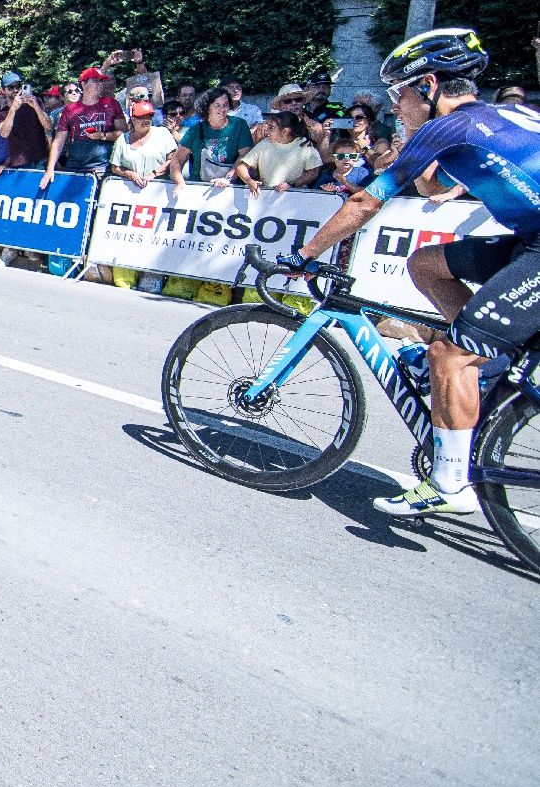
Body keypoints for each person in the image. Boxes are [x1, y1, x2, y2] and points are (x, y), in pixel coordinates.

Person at [291, 29, 537, 517]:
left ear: (428, 85)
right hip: (530, 237)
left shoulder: (451, 126)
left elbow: (365, 202)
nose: (395, 104)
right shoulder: (500, 117)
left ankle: (449, 485)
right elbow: (431, 187)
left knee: (448, 355)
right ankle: (484, 360)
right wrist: (414, 145)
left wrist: (307, 254)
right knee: (426, 264)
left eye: (399, 92)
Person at [41, 67, 123, 188]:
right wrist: (50, 169)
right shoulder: (70, 109)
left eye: (101, 81)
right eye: (95, 81)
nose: (100, 84)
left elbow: (124, 133)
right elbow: (59, 140)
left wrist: (104, 135)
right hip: (75, 168)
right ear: (83, 84)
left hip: (104, 169)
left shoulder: (111, 104)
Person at [234, 111, 322, 196]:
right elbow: (241, 167)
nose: (267, 131)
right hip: (265, 194)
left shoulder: (304, 144)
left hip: (295, 196)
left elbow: (313, 172)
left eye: (271, 128)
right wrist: (249, 181)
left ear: (285, 131)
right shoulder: (265, 143)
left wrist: (291, 185)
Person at [179, 87, 254, 186]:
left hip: (231, 187)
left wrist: (228, 178)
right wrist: (179, 182)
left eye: (225, 105)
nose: (222, 109)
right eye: (217, 105)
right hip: (199, 186)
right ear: (207, 108)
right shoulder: (195, 130)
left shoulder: (239, 125)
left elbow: (245, 156)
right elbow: (177, 160)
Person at [109, 100, 186, 188]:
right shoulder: (122, 139)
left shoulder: (163, 133)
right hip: (130, 188)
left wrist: (153, 174)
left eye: (149, 116)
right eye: (141, 117)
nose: (146, 120)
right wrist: (130, 174)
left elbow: (172, 160)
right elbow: (115, 167)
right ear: (133, 119)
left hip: (159, 187)